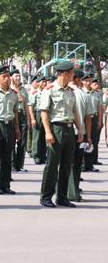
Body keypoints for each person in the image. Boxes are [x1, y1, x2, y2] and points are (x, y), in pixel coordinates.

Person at [38, 61, 83, 208]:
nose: (73, 75)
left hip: (69, 129)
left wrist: (79, 129)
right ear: (65, 73)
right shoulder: (49, 90)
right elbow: (44, 112)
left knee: (66, 164)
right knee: (52, 164)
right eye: (72, 72)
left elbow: (74, 111)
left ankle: (62, 197)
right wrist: (48, 132)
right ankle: (45, 196)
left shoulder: (70, 91)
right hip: (56, 129)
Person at [0, 66, 20, 195]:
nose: (7, 79)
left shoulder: (13, 93)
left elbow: (15, 112)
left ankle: (6, 184)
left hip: (10, 126)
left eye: (8, 76)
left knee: (8, 156)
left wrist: (17, 128)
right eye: (4, 76)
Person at [67, 69, 92, 202]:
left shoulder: (66, 92)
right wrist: (88, 136)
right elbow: (88, 118)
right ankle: (74, 192)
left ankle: (67, 191)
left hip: (68, 132)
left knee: (66, 163)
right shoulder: (84, 95)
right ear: (77, 79)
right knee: (76, 164)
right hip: (81, 133)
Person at [10, 69, 29, 172]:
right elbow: (20, 99)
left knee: (22, 142)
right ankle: (12, 164)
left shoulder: (23, 90)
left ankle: (19, 164)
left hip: (21, 115)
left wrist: (28, 120)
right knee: (12, 141)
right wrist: (14, 88)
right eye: (16, 76)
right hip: (12, 115)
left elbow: (25, 105)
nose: (18, 78)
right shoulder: (9, 89)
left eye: (19, 76)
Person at [82, 75, 102, 172]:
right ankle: (82, 164)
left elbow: (99, 107)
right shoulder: (80, 92)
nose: (88, 83)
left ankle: (90, 164)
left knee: (93, 141)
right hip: (84, 119)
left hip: (94, 118)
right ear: (82, 81)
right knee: (83, 141)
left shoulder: (96, 94)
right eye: (86, 81)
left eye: (90, 80)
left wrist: (100, 120)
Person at [29, 75, 48, 164]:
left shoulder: (47, 92)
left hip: (46, 114)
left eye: (45, 82)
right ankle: (36, 156)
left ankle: (43, 156)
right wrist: (33, 118)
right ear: (38, 83)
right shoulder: (35, 93)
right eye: (42, 82)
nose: (44, 83)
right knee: (37, 136)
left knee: (45, 135)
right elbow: (31, 106)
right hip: (37, 113)